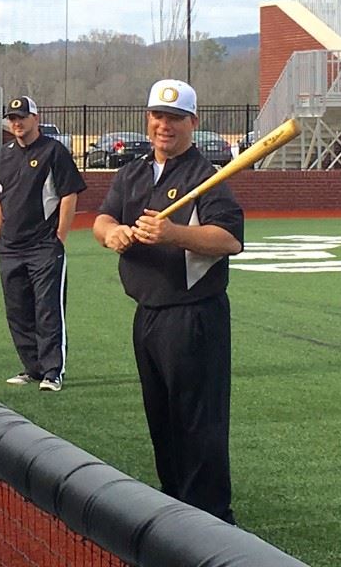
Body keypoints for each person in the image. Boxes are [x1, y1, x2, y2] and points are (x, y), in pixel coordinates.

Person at [92, 79, 244, 524]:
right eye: (158, 116)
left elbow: (230, 239)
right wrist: (111, 234)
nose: (165, 126)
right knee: (163, 422)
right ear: (148, 118)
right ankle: (176, 512)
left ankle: (213, 520)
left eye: (176, 118)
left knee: (199, 426)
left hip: (194, 316)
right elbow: (103, 217)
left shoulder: (208, 177)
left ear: (192, 123)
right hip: (149, 314)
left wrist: (173, 233)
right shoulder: (134, 172)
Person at [0, 96, 86, 393]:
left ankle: (53, 371)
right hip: (10, 247)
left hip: (43, 246)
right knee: (17, 309)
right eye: (12, 118)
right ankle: (32, 367)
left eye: (22, 117)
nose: (16, 123)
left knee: (47, 309)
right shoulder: (4, 154)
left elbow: (69, 194)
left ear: (35, 118)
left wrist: (59, 236)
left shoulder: (53, 151)